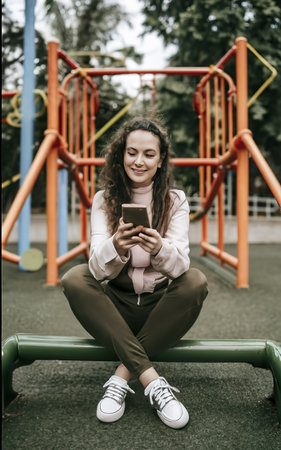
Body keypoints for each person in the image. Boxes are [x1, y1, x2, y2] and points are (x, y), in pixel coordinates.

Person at [61, 116, 208, 429]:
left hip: (160, 307)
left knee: (196, 281)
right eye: (131, 152)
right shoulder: (104, 199)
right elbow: (96, 270)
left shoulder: (174, 200)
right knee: (74, 278)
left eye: (149, 154)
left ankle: (122, 376)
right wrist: (117, 246)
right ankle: (153, 382)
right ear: (121, 155)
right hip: (116, 307)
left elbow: (181, 267)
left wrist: (159, 250)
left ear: (160, 160)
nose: (139, 161)